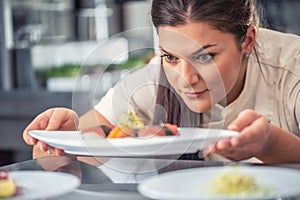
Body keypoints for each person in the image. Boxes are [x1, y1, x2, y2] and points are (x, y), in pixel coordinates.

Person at [23, 0, 300, 163]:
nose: (186, 79)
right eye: (170, 56)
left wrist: (269, 143)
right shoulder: (154, 81)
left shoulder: (292, 68)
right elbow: (43, 157)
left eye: (205, 57)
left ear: (248, 40)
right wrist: (67, 141)